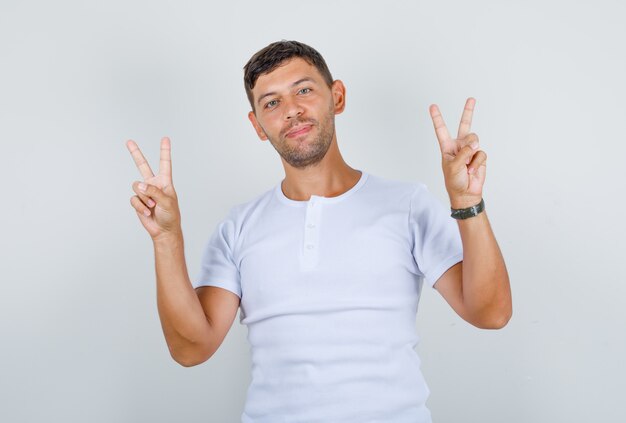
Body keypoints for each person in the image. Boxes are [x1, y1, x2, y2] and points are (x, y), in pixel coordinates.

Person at [126, 40, 511, 423]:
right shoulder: (237, 227)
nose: (291, 110)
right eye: (271, 103)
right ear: (258, 125)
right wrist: (167, 239)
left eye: (304, 90)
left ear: (337, 97)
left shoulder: (407, 204)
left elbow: (490, 313)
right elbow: (191, 349)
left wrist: (466, 202)